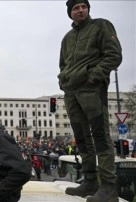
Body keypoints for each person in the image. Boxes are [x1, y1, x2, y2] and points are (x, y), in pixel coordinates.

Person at [58, 0, 122, 201]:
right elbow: (63, 65)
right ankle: (90, 181)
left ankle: (109, 188)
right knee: (82, 138)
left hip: (92, 89)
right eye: (76, 8)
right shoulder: (67, 39)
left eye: (83, 6)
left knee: (100, 135)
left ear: (88, 9)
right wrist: (64, 81)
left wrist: (95, 75)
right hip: (72, 92)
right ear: (70, 13)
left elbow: (114, 55)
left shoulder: (101, 26)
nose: (80, 10)